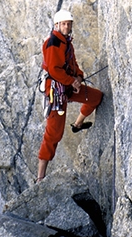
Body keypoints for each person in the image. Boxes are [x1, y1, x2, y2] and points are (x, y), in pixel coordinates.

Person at [37, 9, 103, 182]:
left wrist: (79, 77)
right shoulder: (54, 43)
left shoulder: (66, 42)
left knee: (95, 97)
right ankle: (40, 177)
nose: (67, 26)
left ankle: (78, 124)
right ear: (57, 25)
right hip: (56, 91)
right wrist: (71, 81)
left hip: (67, 85)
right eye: (64, 24)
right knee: (53, 134)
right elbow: (53, 70)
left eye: (69, 24)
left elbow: (72, 64)